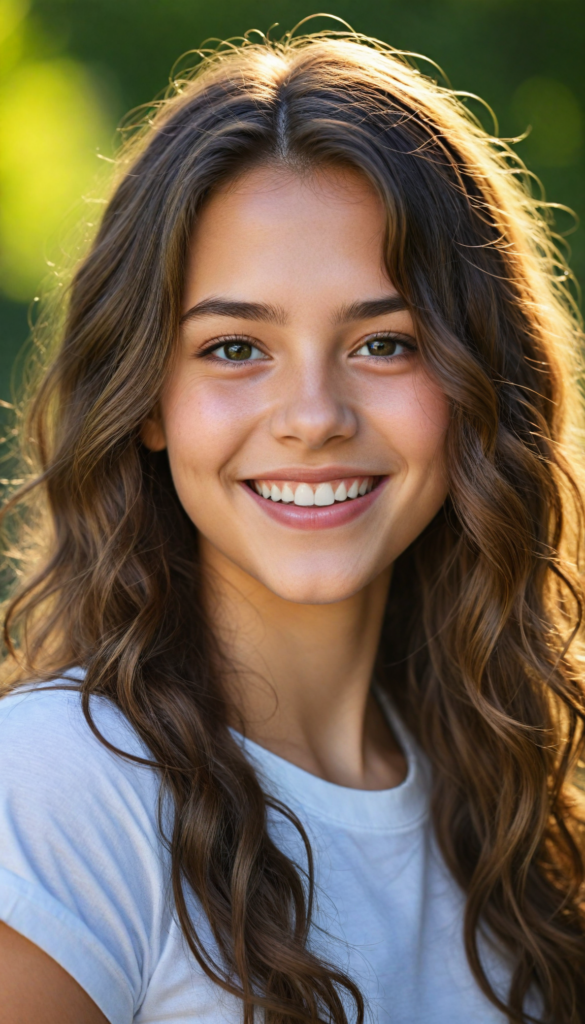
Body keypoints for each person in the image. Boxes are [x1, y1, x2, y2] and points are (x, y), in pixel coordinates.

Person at [0, 27, 584, 1024]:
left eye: (385, 342)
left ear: (481, 387)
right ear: (147, 397)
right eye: (235, 346)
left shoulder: (521, 816)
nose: (314, 415)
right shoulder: (60, 788)